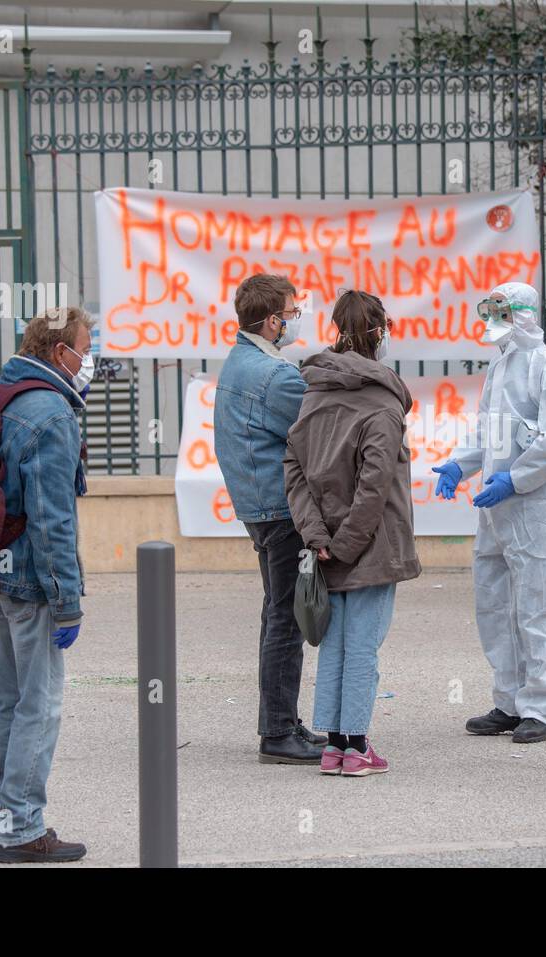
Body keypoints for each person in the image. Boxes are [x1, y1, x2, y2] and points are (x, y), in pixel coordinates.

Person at [432, 282, 546, 744]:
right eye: (489, 308)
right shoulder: (500, 368)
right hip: (497, 512)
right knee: (495, 606)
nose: (493, 316)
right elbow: (490, 434)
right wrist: (461, 464)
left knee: (538, 609)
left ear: (523, 313)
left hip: (537, 509)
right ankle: (509, 701)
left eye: (501, 309)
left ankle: (540, 708)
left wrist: (515, 479)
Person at [0, 306, 93, 863]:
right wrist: (67, 602)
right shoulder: (50, 413)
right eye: (83, 348)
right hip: (28, 582)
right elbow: (53, 519)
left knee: (9, 703)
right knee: (38, 707)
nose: (88, 360)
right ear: (58, 351)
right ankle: (21, 828)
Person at [284, 290, 421, 777]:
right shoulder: (383, 404)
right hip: (371, 545)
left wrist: (316, 536)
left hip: (324, 545)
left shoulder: (313, 393)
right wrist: (342, 545)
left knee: (337, 643)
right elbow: (375, 487)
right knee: (362, 646)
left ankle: (335, 744)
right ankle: (356, 745)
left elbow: (293, 468)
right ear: (381, 331)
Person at [215, 273, 327, 765]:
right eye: (292, 311)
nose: (297, 319)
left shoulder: (241, 361)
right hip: (281, 509)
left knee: (279, 613)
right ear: (273, 320)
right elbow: (316, 432)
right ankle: (279, 731)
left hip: (259, 506)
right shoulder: (274, 375)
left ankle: (282, 721)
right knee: (288, 618)